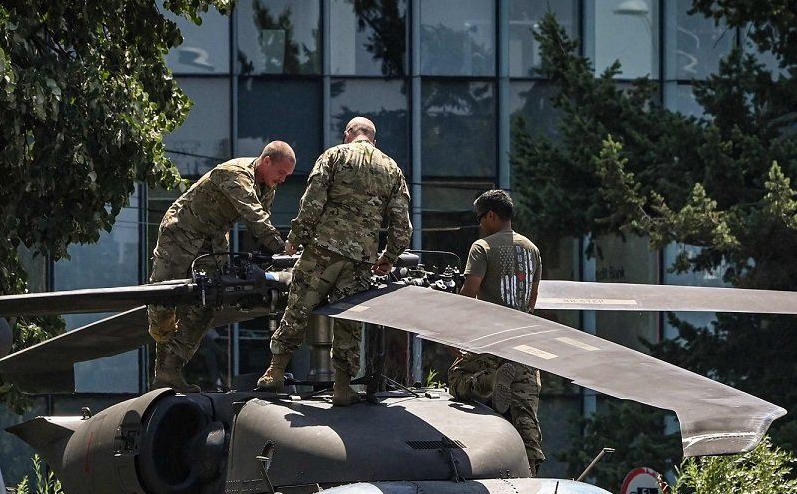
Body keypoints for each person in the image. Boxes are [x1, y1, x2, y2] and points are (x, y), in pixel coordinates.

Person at [257, 117, 411, 406]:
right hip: (361, 260)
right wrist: (388, 257)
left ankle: (275, 372)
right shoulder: (392, 168)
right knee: (349, 321)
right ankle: (342, 387)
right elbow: (402, 225)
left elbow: (312, 200)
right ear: (373, 140)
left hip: (324, 250)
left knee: (298, 306)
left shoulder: (334, 155)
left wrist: (297, 237)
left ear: (347, 135)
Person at [147, 142, 297, 393]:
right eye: (281, 173)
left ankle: (170, 371)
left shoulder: (266, 186)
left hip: (212, 240)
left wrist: (277, 259)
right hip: (182, 231)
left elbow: (261, 225)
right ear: (267, 161)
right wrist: (284, 252)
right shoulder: (235, 173)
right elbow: (255, 218)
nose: (283, 180)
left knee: (208, 300)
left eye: (288, 177)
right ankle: (161, 371)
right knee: (164, 301)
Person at [446, 189, 546, 475]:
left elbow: (470, 294)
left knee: (457, 379)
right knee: (526, 414)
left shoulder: (482, 247)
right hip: (524, 346)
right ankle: (532, 470)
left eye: (480, 218)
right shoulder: (532, 249)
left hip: (492, 341)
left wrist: (456, 336)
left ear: (491, 215)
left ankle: (488, 381)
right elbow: (532, 300)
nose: (479, 224)